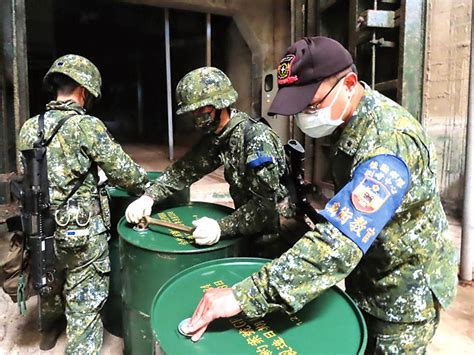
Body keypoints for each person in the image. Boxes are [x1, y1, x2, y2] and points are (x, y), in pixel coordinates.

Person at [180, 37, 458, 354]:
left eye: (311, 106)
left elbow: (339, 241)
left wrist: (245, 295)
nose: (305, 117)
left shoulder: (389, 143)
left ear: (349, 84)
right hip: (368, 272)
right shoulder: (349, 120)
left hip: (402, 292)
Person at [17, 54, 148, 353]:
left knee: (49, 276)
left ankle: (48, 331)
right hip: (81, 232)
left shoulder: (28, 127)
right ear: (84, 91)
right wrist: (149, 188)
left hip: (41, 229)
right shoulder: (86, 126)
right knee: (85, 301)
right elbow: (123, 172)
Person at [125, 67, 309, 255]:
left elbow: (265, 210)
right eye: (192, 112)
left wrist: (220, 227)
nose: (196, 117)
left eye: (201, 110)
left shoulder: (256, 141)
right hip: (251, 227)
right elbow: (184, 171)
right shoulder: (220, 136)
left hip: (277, 236)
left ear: (220, 104)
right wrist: (149, 197)